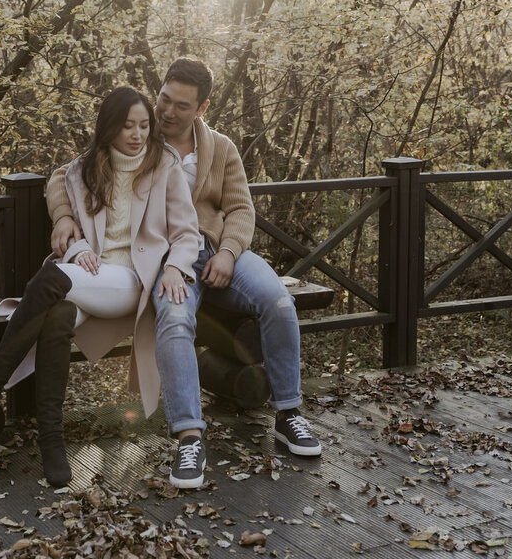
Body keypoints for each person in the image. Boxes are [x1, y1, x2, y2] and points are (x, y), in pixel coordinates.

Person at [47, 58, 321, 490]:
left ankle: (289, 414)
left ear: (202, 108)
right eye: (164, 100)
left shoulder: (221, 148)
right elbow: (66, 175)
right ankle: (189, 438)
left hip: (218, 252)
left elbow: (241, 209)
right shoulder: (136, 134)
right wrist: (64, 216)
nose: (167, 112)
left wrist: (229, 253)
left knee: (279, 301)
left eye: (181, 105)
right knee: (174, 320)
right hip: (165, 260)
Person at [0, 86, 200, 487]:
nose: (137, 134)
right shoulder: (83, 170)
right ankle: (52, 443)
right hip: (91, 277)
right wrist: (74, 245)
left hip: (133, 281)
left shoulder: (165, 166)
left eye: (144, 125)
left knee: (52, 279)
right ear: (108, 126)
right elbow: (65, 204)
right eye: (128, 125)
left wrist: (176, 268)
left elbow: (187, 234)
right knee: (57, 316)